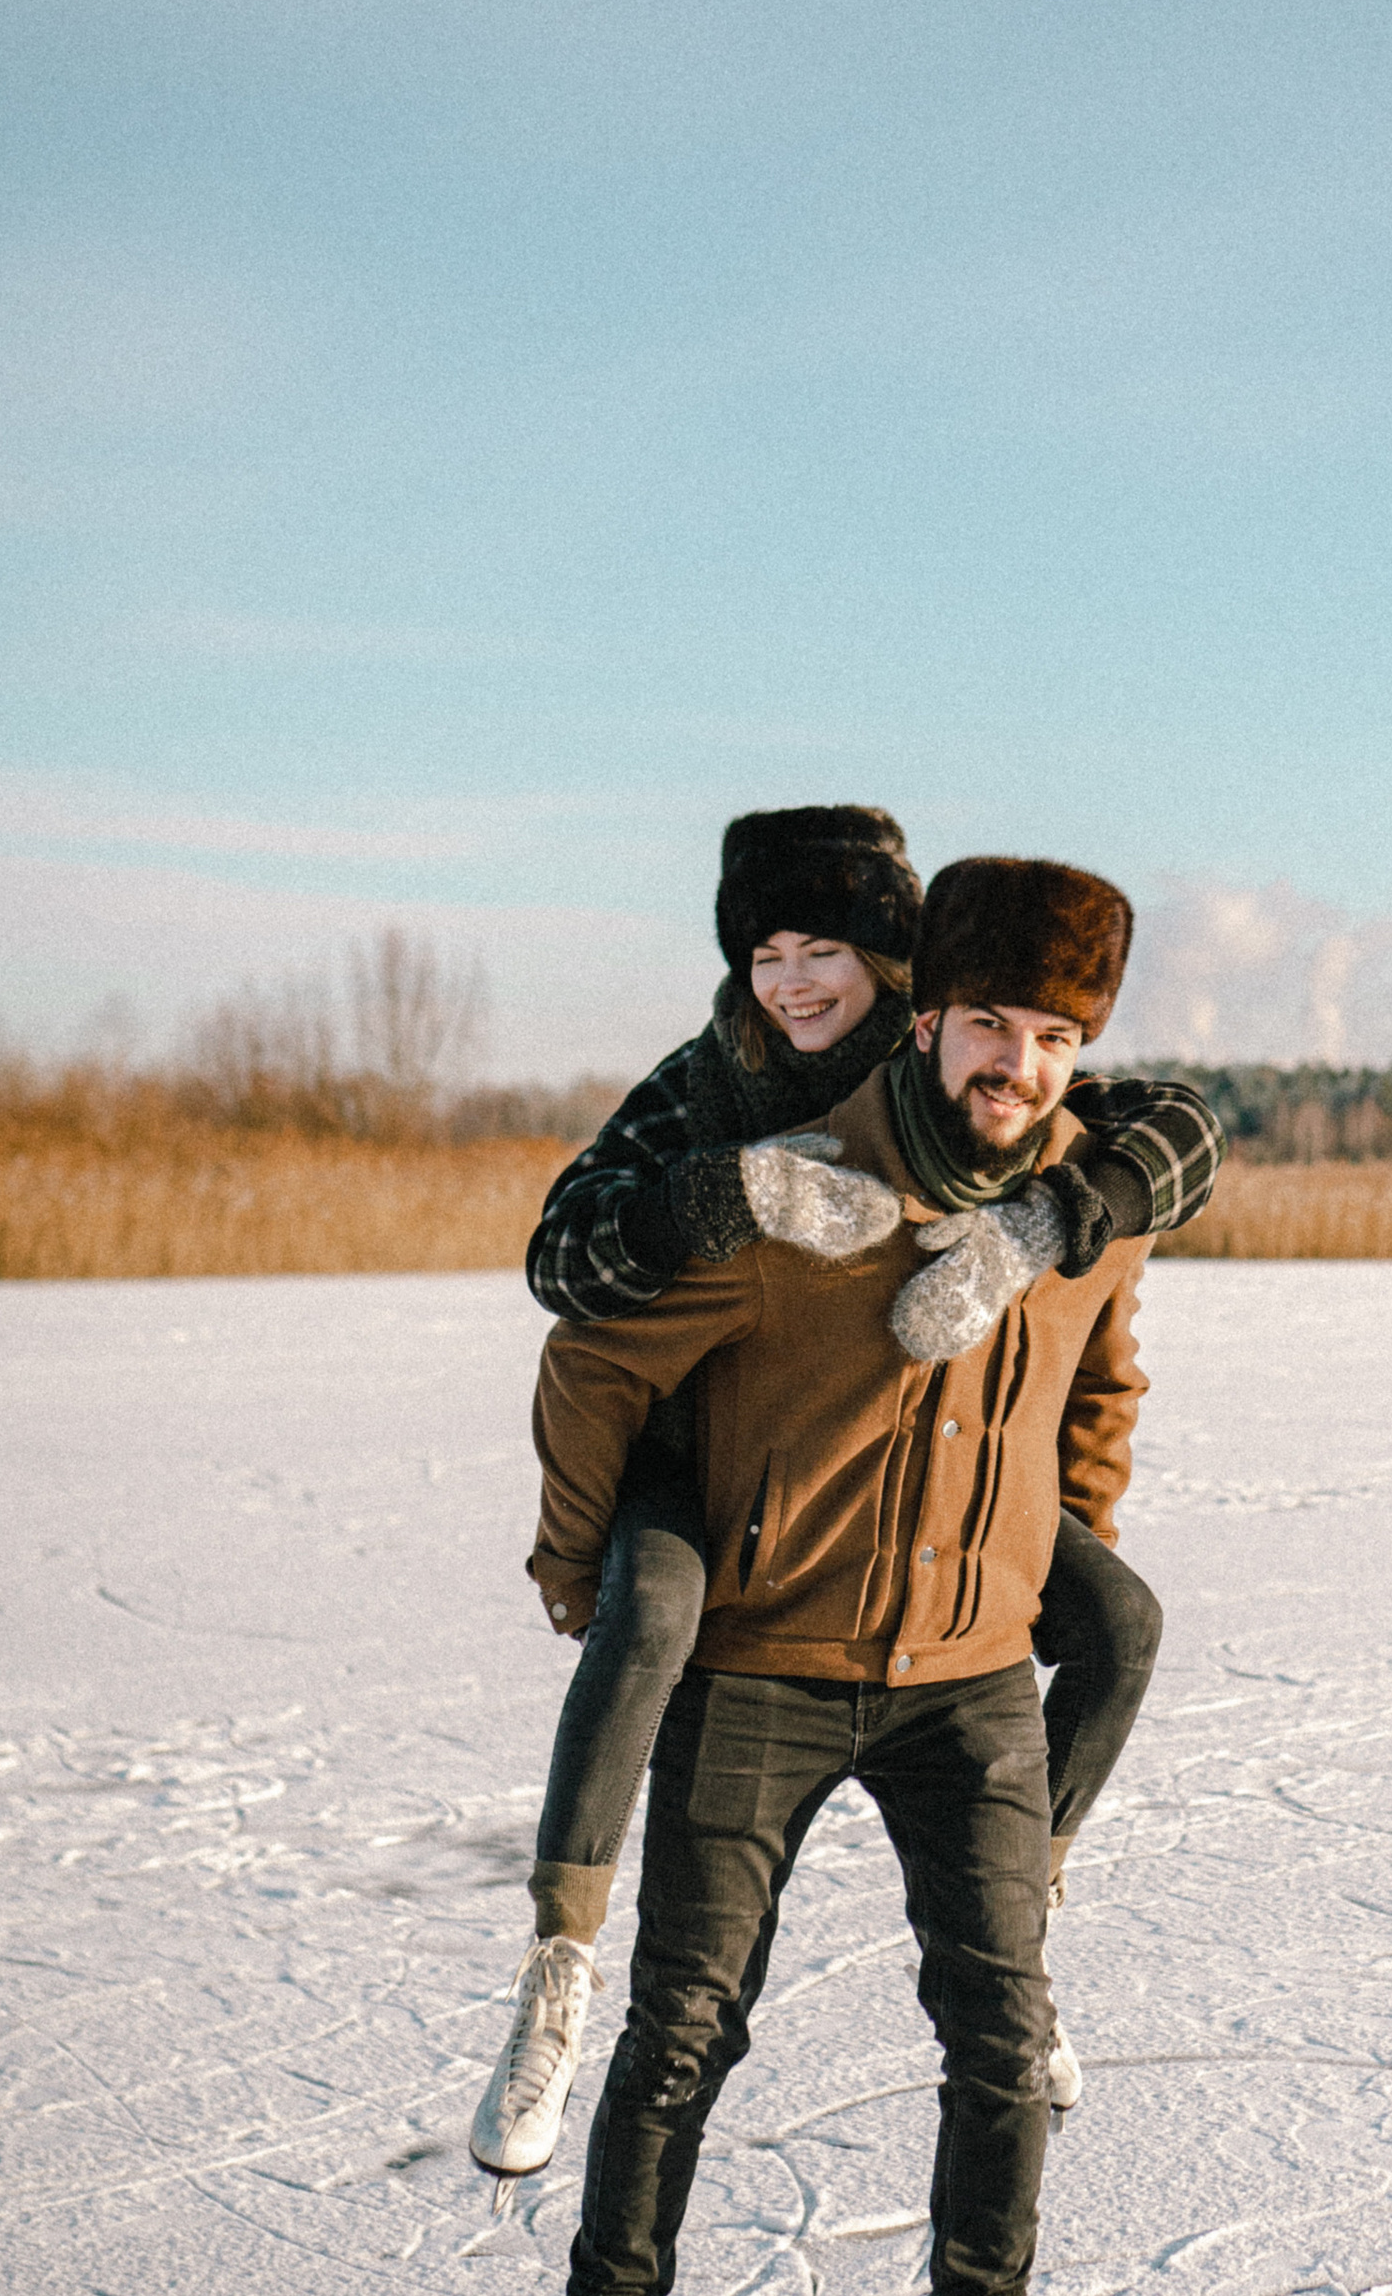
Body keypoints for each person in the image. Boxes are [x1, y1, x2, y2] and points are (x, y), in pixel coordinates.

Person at [520, 855, 1149, 2296]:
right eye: (988, 1026)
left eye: (1053, 1034)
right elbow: (592, 1356)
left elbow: (1103, 1382)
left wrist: (1047, 1548)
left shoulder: (1094, 1203)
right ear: (923, 1014)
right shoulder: (801, 1194)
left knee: (1005, 2037)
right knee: (681, 2035)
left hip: (968, 1685)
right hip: (765, 1665)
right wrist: (587, 1570)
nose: (1015, 1062)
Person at [470, 805, 1219, 2183]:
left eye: (828, 948)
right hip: (705, 1470)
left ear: (901, 974)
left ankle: (1023, 1906)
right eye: (766, 952)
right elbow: (562, 1271)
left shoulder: (956, 1060)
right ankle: (558, 1963)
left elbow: (1171, 1131)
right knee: (647, 1625)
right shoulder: (704, 1083)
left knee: (1119, 1623)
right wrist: (724, 1197)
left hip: (921, 1497)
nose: (795, 980)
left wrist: (1051, 1225)